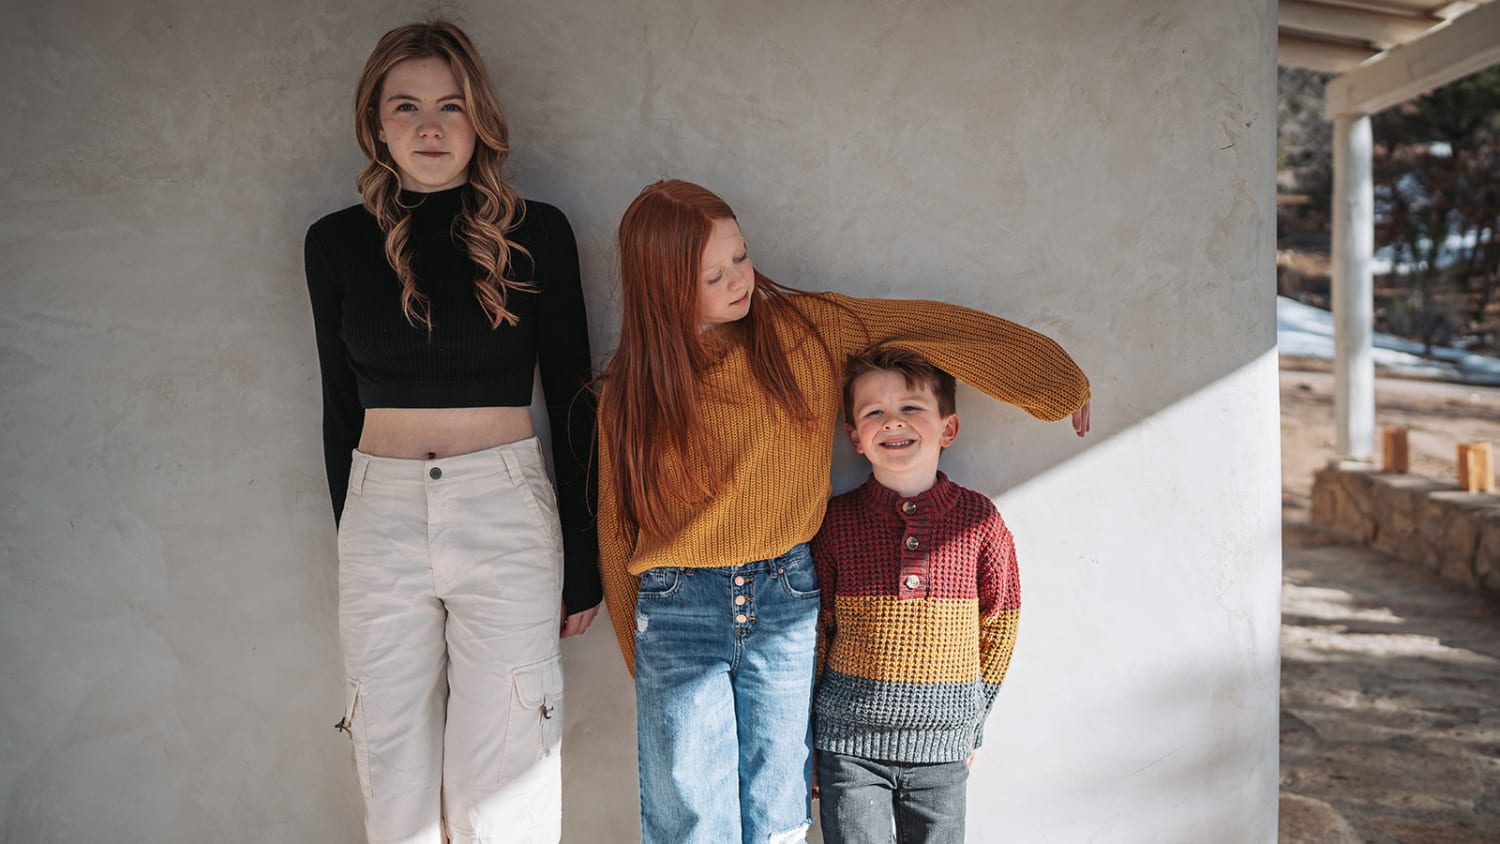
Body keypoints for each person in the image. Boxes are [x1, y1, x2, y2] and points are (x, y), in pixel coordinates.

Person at [595, 179, 1090, 843]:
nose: (740, 280)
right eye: (713, 274)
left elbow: (931, 326)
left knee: (779, 806)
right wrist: (642, 652)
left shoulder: (806, 329)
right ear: (662, 288)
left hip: (786, 594)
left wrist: (1054, 382)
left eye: (741, 256)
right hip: (678, 608)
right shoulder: (630, 391)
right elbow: (614, 526)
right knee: (689, 811)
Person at [303, 20, 599, 843]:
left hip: (503, 511)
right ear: (377, 122)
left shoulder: (536, 232)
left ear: (480, 119)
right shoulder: (333, 243)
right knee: (387, 759)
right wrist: (354, 535)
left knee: (505, 771)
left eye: (451, 106)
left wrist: (585, 554)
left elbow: (575, 396)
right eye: (406, 107)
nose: (430, 128)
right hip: (379, 515)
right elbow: (338, 407)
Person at [812, 344, 1019, 844]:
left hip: (943, 754)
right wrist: (808, 741)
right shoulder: (835, 523)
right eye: (874, 412)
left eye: (910, 408)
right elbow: (815, 633)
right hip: (849, 748)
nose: (891, 422)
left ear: (948, 428)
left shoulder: (979, 523)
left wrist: (973, 723)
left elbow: (1000, 625)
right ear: (854, 437)